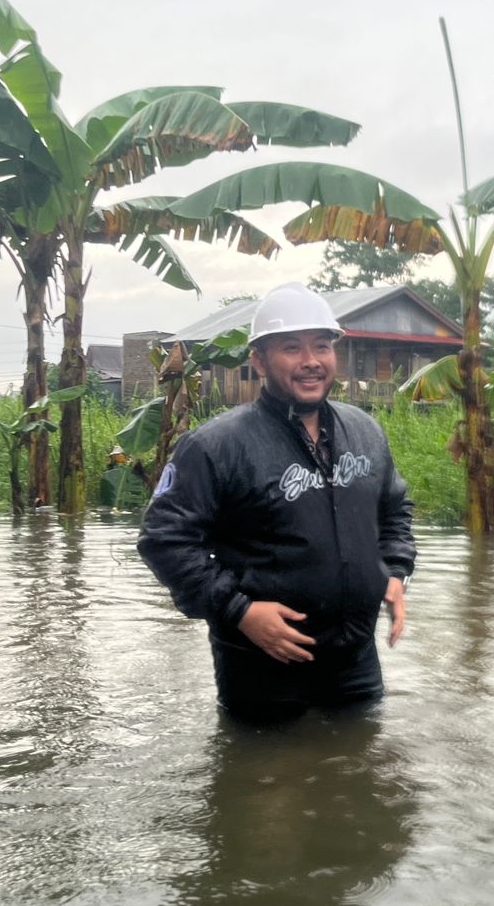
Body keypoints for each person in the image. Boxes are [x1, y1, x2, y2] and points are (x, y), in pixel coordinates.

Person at [137, 283, 416, 721]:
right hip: (262, 665)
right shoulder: (215, 445)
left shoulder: (365, 431)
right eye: (291, 347)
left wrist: (396, 571)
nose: (310, 361)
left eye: (321, 346)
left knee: (362, 769)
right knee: (262, 775)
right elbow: (164, 541)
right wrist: (240, 610)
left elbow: (394, 509)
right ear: (258, 361)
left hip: (354, 658)